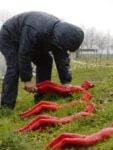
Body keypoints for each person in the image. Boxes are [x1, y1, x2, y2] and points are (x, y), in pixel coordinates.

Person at [0, 11, 84, 109]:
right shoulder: (36, 30)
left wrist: (66, 82)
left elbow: (62, 58)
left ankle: (42, 96)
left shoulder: (60, 35)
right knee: (15, 66)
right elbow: (24, 53)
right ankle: (6, 106)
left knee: (46, 61)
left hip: (30, 39)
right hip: (9, 37)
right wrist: (27, 80)